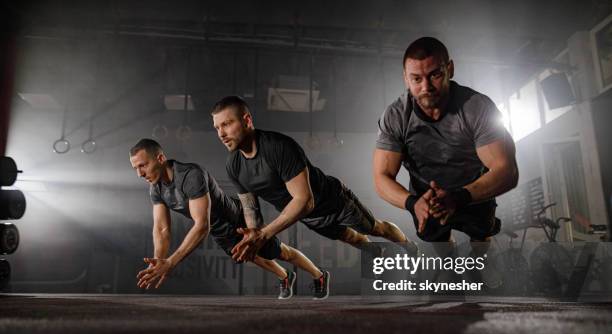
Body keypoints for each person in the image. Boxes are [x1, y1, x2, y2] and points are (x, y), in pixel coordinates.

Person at [210, 97, 417, 284]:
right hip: (311, 217)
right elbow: (250, 209)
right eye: (217, 127)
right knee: (352, 239)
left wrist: (263, 235)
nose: (221, 134)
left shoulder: (278, 147)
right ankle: (374, 251)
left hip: (334, 201)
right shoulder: (233, 166)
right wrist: (252, 235)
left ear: (246, 120)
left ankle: (408, 246)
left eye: (227, 124)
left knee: (374, 229)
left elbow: (304, 200)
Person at [373, 37, 519, 287]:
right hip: (426, 198)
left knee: (481, 234)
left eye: (435, 75)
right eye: (416, 79)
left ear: (449, 69)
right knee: (436, 237)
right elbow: (381, 176)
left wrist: (458, 197)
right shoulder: (397, 115)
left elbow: (506, 171)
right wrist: (412, 203)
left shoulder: (477, 107)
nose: (426, 86)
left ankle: (475, 263)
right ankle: (450, 266)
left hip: (473, 192)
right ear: (405, 78)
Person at [129, 138, 329, 299]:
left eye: (143, 165)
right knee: (250, 256)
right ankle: (286, 276)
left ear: (160, 158)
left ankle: (319, 275)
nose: (139, 173)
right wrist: (159, 261)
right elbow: (162, 229)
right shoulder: (156, 188)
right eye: (135, 168)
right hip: (218, 229)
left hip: (237, 219)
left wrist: (171, 262)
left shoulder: (190, 175)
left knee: (279, 252)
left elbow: (201, 225)